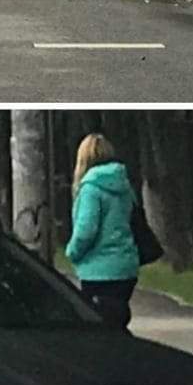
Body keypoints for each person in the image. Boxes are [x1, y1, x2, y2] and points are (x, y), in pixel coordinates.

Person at [65, 133, 140, 329]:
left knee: (100, 325)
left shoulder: (90, 189)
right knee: (117, 319)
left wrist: (72, 252)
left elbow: (86, 230)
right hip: (126, 266)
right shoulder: (124, 185)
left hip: (98, 271)